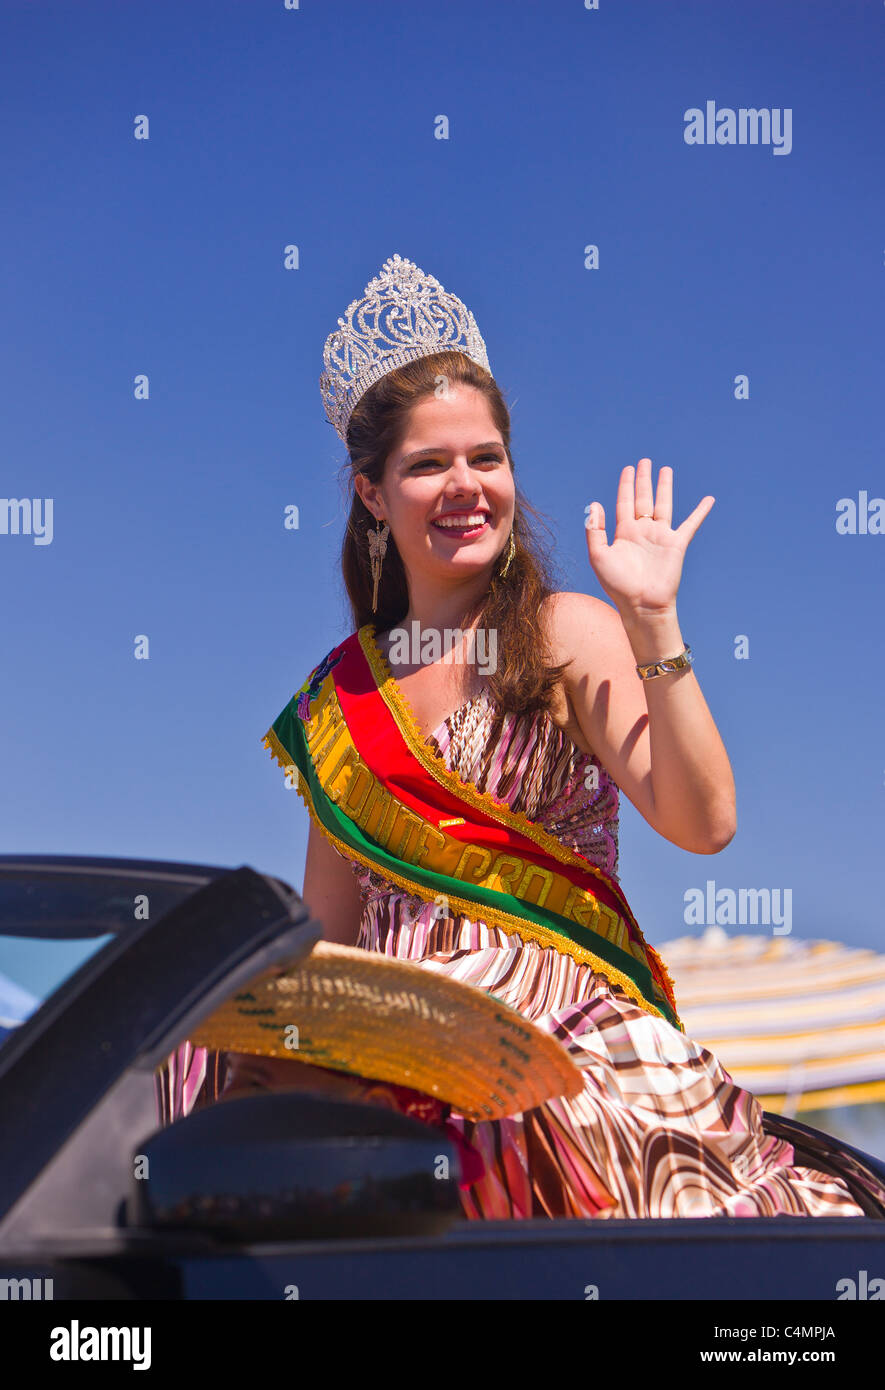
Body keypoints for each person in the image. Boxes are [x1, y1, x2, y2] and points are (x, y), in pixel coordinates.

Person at [159, 254, 885, 1220]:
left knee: (505, 1132)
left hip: (559, 1036)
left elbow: (704, 822)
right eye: (427, 465)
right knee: (181, 1070)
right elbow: (331, 938)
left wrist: (654, 621)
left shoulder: (565, 633)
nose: (465, 486)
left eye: (485, 458)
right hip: (399, 1031)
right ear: (373, 494)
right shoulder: (340, 703)